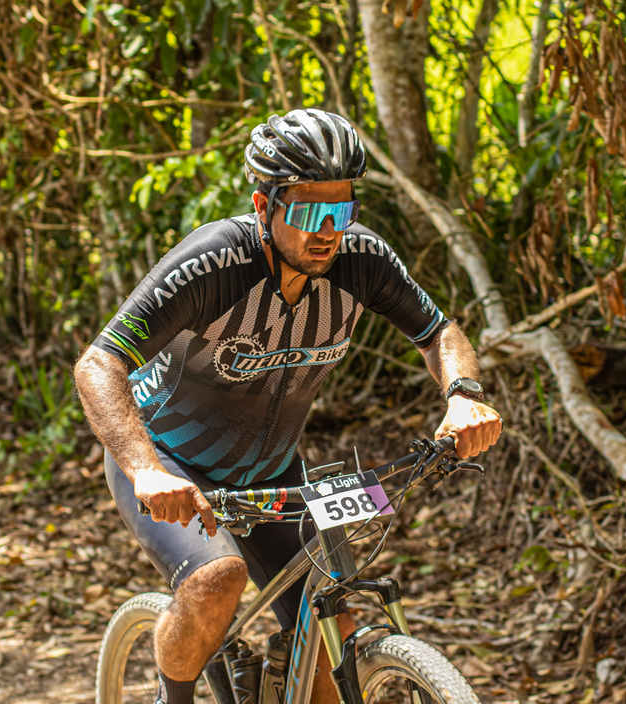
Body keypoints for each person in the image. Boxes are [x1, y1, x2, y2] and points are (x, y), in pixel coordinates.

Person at [74, 108, 502, 704]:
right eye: (306, 212)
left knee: (332, 626)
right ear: (263, 205)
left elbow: (439, 333)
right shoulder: (215, 264)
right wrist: (145, 469)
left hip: (271, 468)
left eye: (342, 211)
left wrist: (464, 397)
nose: (327, 230)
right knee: (217, 580)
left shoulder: (363, 261)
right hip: (171, 461)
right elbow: (99, 363)